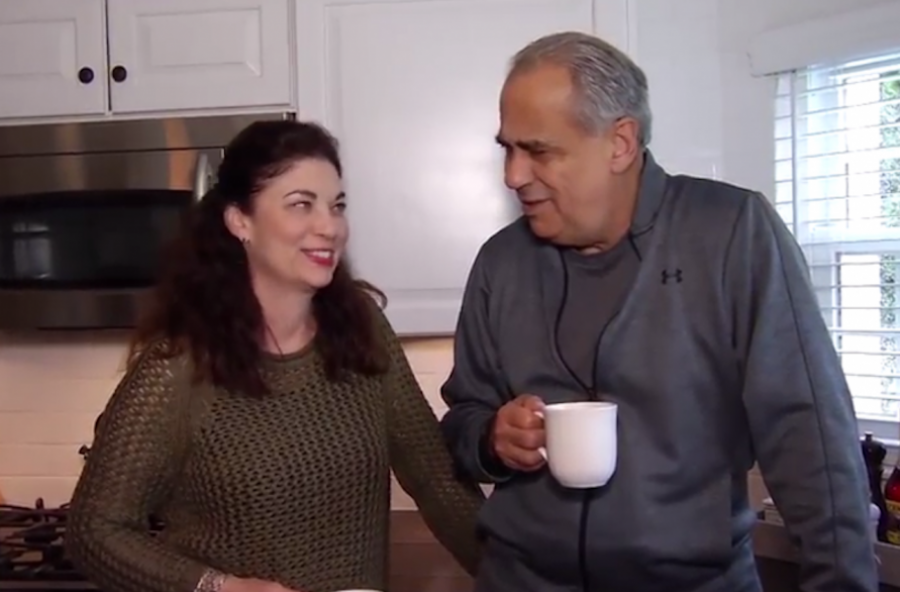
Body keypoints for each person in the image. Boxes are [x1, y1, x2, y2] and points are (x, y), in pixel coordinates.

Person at [439, 31, 878, 592]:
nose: (513, 175)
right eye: (508, 149)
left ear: (620, 143)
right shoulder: (500, 263)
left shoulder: (731, 234)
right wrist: (491, 439)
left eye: (539, 151)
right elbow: (462, 420)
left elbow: (809, 436)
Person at [66, 119, 485, 592]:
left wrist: (519, 574)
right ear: (239, 221)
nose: (329, 227)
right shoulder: (181, 364)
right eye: (301, 204)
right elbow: (93, 531)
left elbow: (436, 479)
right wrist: (221, 587)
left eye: (336, 205)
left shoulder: (362, 330)